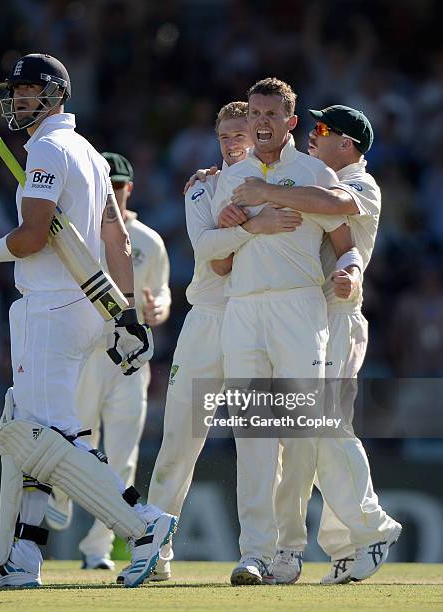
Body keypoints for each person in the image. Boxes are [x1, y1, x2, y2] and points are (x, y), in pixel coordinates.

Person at [0, 53, 176, 589]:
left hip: (50, 307)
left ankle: (143, 524)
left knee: (41, 435)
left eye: (29, 91)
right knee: (32, 431)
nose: (18, 99)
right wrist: (126, 312)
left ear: (55, 95)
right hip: (84, 307)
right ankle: (21, 558)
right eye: (17, 91)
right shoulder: (91, 154)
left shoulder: (49, 149)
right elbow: (117, 239)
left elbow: (31, 237)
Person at [227, 105, 401, 584]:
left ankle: (373, 527)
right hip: (306, 317)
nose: (312, 134)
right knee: (306, 437)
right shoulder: (313, 174)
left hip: (338, 317)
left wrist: (266, 190)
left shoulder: (358, 182)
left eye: (323, 129)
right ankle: (342, 545)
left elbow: (335, 205)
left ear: (347, 145)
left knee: (322, 428)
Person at [133, 101, 302, 584]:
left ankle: (257, 555)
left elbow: (245, 245)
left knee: (258, 445)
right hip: (207, 319)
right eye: (224, 135)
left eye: (240, 134)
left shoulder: (278, 180)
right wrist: (254, 225)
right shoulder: (203, 186)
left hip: (258, 319)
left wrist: (239, 228)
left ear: (259, 131)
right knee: (179, 442)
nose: (232, 143)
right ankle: (154, 554)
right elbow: (206, 250)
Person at [209, 79, 359, 586]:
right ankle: (254, 552)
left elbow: (346, 240)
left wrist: (352, 271)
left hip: (300, 308)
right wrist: (238, 225)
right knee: (252, 435)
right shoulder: (235, 176)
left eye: (272, 113)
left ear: (291, 122)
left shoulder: (313, 172)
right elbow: (222, 263)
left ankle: (289, 550)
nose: (261, 122)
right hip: (244, 310)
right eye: (254, 113)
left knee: (298, 434)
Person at [45, 152, 172, 571]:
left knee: (122, 456)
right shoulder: (80, 233)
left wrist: (159, 310)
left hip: (130, 361)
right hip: (87, 354)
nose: (112, 196)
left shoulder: (148, 240)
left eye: (118, 188)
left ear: (129, 189)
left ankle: (98, 548)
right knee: (78, 442)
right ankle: (60, 497)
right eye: (107, 188)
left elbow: (162, 293)